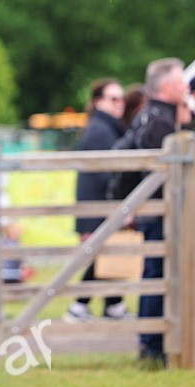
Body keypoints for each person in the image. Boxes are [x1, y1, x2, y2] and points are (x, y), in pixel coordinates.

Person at [122, 58, 187, 367]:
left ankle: (152, 343)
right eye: (181, 81)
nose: (186, 86)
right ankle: (151, 344)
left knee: (154, 273)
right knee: (155, 275)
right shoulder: (159, 120)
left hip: (151, 208)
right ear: (166, 86)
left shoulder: (149, 116)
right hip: (158, 210)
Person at [64, 78, 128, 323]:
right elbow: (106, 175)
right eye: (113, 98)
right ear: (99, 102)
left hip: (98, 208)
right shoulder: (102, 130)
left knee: (106, 257)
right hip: (98, 209)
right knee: (102, 257)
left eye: (120, 98)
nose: (119, 104)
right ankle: (79, 306)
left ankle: (114, 305)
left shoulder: (104, 127)